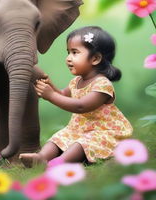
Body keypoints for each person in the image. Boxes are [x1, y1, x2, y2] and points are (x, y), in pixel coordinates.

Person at [19, 26, 133, 168]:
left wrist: (51, 95)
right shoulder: (77, 81)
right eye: (68, 52)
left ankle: (59, 163)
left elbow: (81, 106)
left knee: (82, 143)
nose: (68, 58)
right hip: (80, 129)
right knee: (59, 137)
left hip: (103, 132)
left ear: (95, 58)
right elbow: (62, 95)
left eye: (75, 53)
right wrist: (50, 86)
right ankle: (41, 157)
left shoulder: (102, 85)